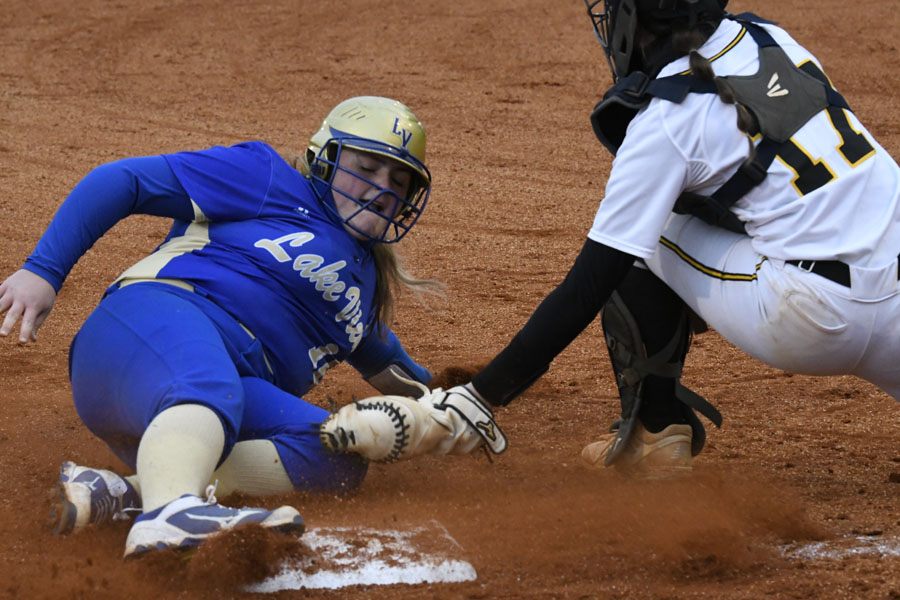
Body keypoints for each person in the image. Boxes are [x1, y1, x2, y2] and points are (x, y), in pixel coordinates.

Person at [319, 1, 900, 476]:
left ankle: (656, 431)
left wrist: (481, 397)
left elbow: (592, 280)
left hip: (813, 314)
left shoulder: (665, 121)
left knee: (642, 235)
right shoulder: (775, 41)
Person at [0, 96, 444, 557]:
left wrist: (454, 406)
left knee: (338, 454)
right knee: (211, 381)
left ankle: (124, 493)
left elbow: (389, 365)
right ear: (325, 158)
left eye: (398, 180)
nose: (382, 189)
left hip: (213, 397)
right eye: (367, 168)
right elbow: (124, 180)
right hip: (145, 329)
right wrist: (43, 271)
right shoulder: (269, 178)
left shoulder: (365, 286)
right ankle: (171, 514)